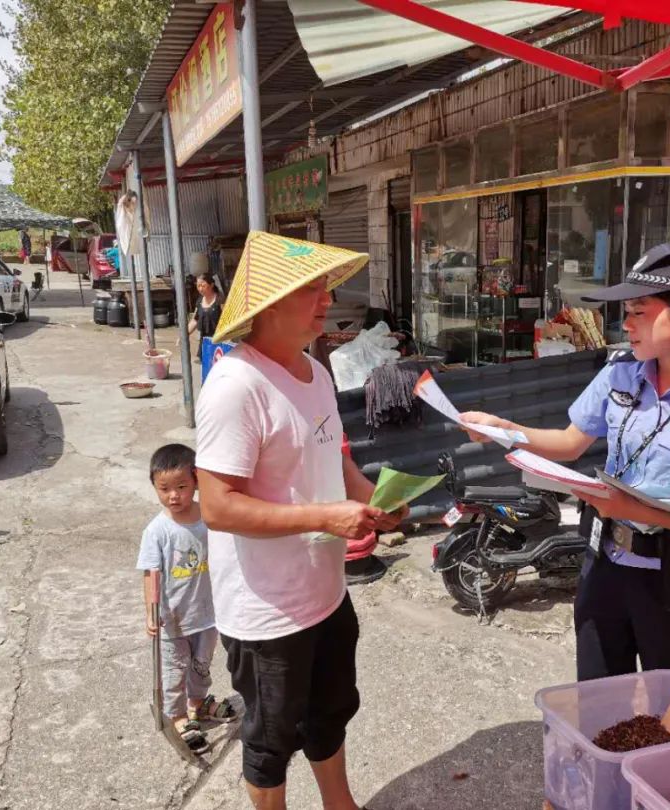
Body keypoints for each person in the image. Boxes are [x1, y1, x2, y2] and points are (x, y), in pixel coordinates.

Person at [462, 243, 670, 680]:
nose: (626, 324)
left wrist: (633, 508)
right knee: (597, 698)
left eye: (639, 312)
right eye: (626, 313)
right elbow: (570, 442)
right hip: (603, 565)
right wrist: (504, 429)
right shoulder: (622, 371)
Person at [195, 231, 405, 810]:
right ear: (269, 305)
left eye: (325, 288)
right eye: (312, 289)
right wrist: (325, 517)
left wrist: (378, 499)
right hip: (267, 610)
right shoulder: (236, 386)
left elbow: (338, 461)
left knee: (330, 713)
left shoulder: (316, 372)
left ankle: (341, 805)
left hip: (325, 592)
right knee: (271, 739)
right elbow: (217, 505)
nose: (327, 300)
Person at [136, 443, 237, 755]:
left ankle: (198, 703)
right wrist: (151, 612)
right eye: (164, 489)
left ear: (196, 481)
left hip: (208, 614)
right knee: (174, 669)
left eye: (181, 487)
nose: (173, 496)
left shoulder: (208, 516)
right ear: (154, 486)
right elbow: (151, 573)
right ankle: (177, 715)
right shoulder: (157, 531)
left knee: (201, 665)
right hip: (173, 619)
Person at [184, 274, 223, 375]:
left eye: (203, 285)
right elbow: (195, 320)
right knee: (206, 371)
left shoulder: (220, 300)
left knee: (219, 371)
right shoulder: (199, 301)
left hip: (220, 341)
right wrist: (184, 335)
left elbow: (227, 320)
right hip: (205, 342)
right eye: (198, 286)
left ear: (211, 285)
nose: (200, 289)